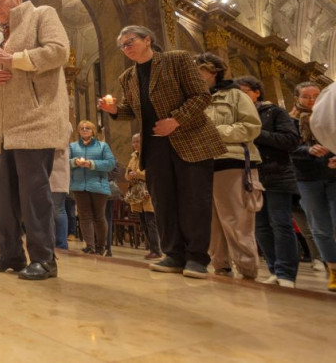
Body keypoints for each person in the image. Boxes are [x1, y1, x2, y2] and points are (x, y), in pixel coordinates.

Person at [98, 26, 225, 279]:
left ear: (148, 39)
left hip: (189, 139)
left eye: (130, 41)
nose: (127, 48)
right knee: (163, 202)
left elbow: (201, 95)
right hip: (154, 146)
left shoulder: (176, 59)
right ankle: (173, 255)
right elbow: (131, 110)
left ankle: (197, 258)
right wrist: (112, 110)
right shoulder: (127, 77)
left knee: (193, 200)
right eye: (122, 45)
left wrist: (175, 120)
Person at [0, 0, 71, 280]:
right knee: (6, 194)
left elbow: (59, 51)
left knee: (34, 193)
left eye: (0, 2)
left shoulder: (43, 15)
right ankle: (10, 253)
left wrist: (13, 57)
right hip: (5, 125)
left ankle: (44, 259)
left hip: (35, 119)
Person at [197, 53, 262, 280]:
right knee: (211, 224)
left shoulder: (235, 95)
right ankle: (221, 269)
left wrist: (215, 132)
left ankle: (247, 272)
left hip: (232, 162)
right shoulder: (196, 99)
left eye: (199, 71)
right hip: (203, 165)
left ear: (212, 72)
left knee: (236, 223)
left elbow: (251, 127)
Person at [235, 76, 300, 287]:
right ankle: (273, 268)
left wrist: (255, 133)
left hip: (277, 173)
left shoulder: (274, 112)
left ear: (256, 92)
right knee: (261, 226)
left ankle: (286, 273)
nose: (240, 96)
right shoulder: (236, 116)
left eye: (244, 91)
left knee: (280, 223)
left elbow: (290, 141)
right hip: (251, 176)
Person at [289, 81, 336, 292]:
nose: (311, 100)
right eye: (306, 96)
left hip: (333, 174)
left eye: (316, 96)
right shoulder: (290, 121)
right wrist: (306, 151)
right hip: (307, 179)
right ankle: (333, 269)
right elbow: (287, 148)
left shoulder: (331, 116)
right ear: (297, 99)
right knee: (320, 227)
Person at [68, 120, 116, 256]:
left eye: (87, 128)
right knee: (84, 216)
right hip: (79, 186)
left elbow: (111, 163)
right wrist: (74, 162)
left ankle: (101, 246)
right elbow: (65, 161)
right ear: (78, 131)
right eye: (82, 128)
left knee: (99, 216)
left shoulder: (102, 146)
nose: (84, 130)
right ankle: (90, 246)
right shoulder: (73, 147)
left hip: (98, 185)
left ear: (93, 131)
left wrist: (91, 164)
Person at [125, 133, 161, 260]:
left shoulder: (150, 155)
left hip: (149, 193)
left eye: (138, 142)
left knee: (151, 222)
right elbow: (127, 173)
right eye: (134, 142)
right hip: (138, 195)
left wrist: (138, 174)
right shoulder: (133, 157)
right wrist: (129, 175)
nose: (135, 144)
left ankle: (156, 250)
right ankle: (151, 248)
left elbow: (152, 174)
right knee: (144, 222)